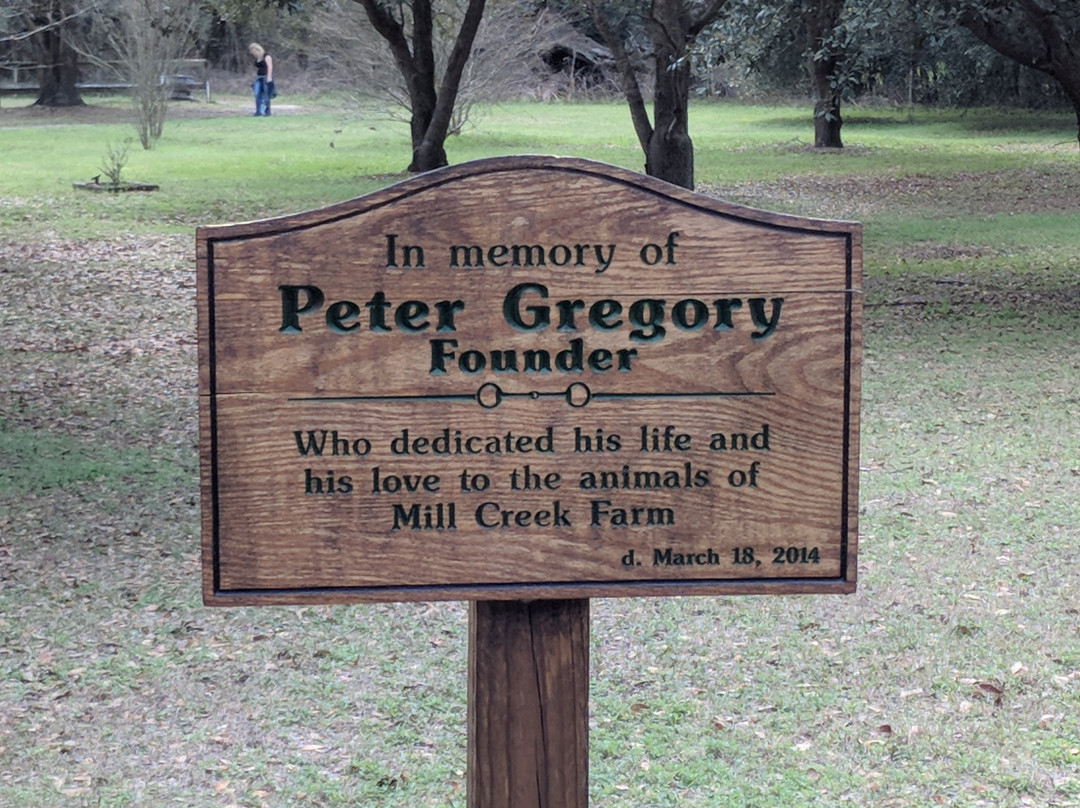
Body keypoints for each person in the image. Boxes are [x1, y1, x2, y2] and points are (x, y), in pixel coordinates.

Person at [249, 43, 274, 116]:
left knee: (266, 95)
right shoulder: (258, 58)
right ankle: (259, 111)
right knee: (257, 94)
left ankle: (267, 111)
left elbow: (270, 67)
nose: (253, 53)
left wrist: (269, 77)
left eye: (254, 51)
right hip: (259, 77)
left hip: (265, 77)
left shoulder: (267, 56)